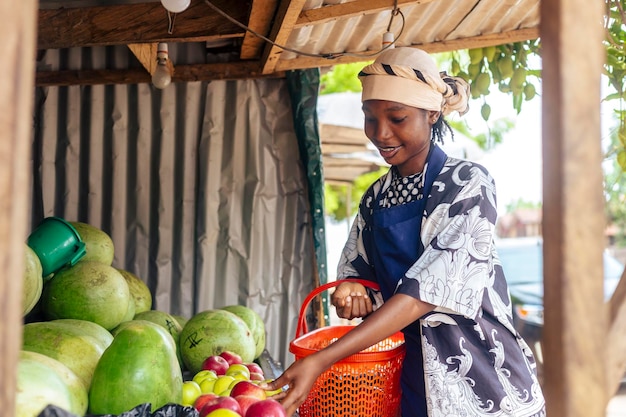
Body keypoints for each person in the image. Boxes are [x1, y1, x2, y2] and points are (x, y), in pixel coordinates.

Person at [264, 47, 546, 416]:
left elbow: (425, 292)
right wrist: (352, 290)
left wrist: (323, 360)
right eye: (370, 118)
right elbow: (357, 274)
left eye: (396, 117)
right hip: (406, 380)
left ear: (431, 114)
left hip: (480, 382)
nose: (380, 133)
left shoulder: (469, 184)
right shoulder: (375, 198)